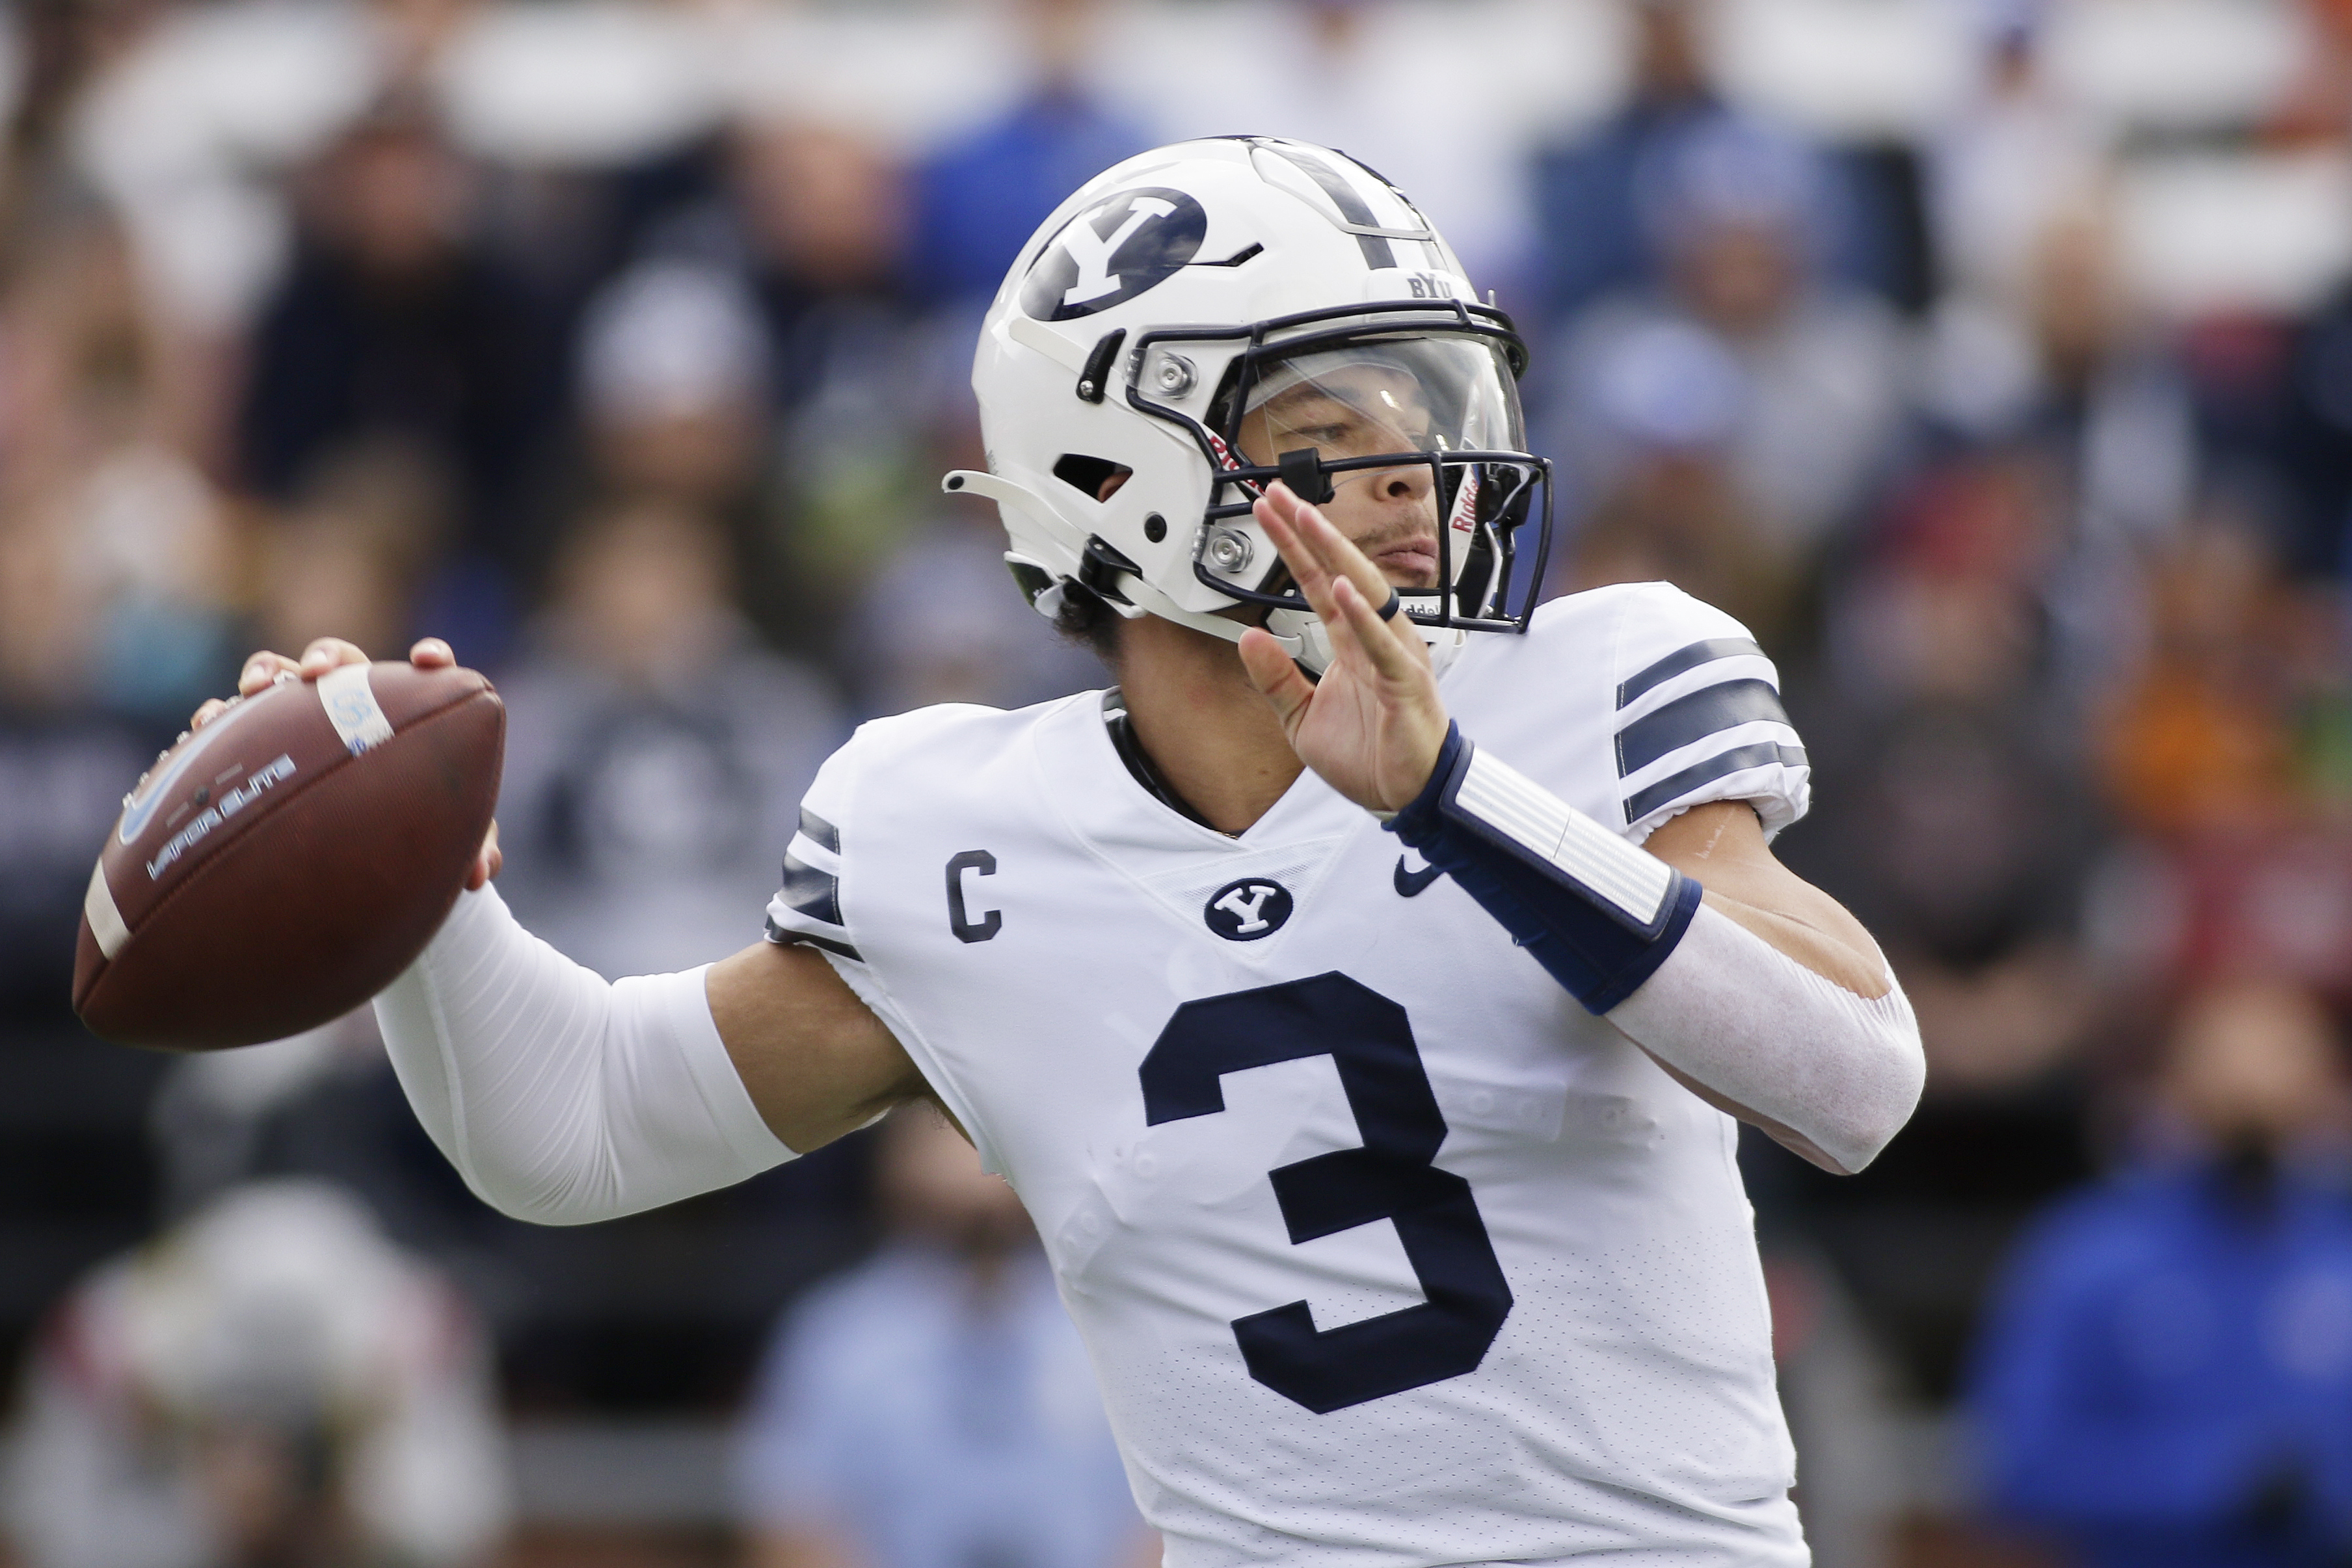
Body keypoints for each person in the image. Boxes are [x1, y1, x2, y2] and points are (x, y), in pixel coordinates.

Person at [196, 137, 1925, 1567]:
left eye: (1432, 404)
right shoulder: (961, 828)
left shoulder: (1597, 682)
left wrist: (1453, 798)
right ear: (1124, 472)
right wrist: (411, 884)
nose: (1420, 475)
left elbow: (1850, 1075)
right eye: (1334, 430)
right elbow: (566, 1125)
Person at [1969, 977, 2352, 1567]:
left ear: (2327, 1088)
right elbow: (2013, 1465)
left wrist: (2320, 1486)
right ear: (2172, 1083)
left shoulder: (2338, 1255)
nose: (2251, 1090)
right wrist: (2219, 1479)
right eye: (2224, 1063)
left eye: (2281, 1061)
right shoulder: (2086, 1253)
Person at [734, 1108, 1149, 1568]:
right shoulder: (836, 1335)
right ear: (894, 1165)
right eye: (943, 1132)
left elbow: (1175, 1517)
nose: (972, 1179)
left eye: (981, 1138)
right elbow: (792, 1520)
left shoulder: (1118, 1322)